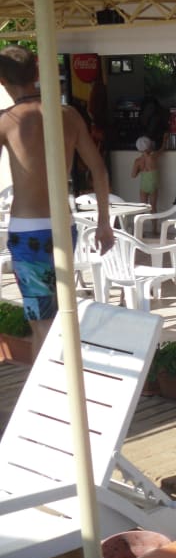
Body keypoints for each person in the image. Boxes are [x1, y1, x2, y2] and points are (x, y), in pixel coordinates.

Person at [0, 45, 115, 359]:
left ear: (2, 81)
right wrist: (104, 223)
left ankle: (50, 383)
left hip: (28, 232)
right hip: (64, 227)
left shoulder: (7, 121)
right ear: (37, 73)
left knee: (42, 320)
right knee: (60, 310)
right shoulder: (68, 115)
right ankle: (63, 377)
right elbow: (99, 170)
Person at [131, 135, 160, 232]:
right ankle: (154, 229)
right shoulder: (153, 157)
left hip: (144, 185)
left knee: (142, 208)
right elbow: (162, 150)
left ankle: (140, 230)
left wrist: (140, 170)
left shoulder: (138, 161)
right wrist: (164, 141)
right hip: (153, 185)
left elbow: (133, 175)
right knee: (153, 207)